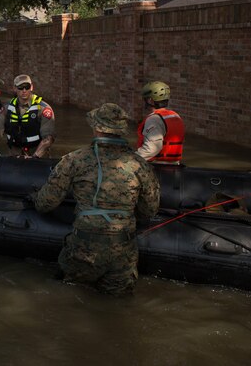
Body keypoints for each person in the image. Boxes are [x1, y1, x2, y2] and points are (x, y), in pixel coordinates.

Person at [34, 103, 160, 295]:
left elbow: (46, 203)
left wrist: (34, 196)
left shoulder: (74, 160)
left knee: (71, 298)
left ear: (97, 128)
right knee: (118, 307)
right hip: (123, 252)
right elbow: (149, 210)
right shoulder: (140, 165)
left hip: (84, 248)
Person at [0, 74, 55, 158]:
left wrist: (35, 157)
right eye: (20, 87)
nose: (24, 90)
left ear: (32, 87)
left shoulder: (43, 109)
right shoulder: (7, 109)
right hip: (14, 154)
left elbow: (48, 139)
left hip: (37, 155)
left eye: (27, 87)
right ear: (14, 88)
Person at [136, 81, 185, 164]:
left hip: (157, 166)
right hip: (174, 164)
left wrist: (132, 158)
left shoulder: (154, 119)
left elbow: (152, 149)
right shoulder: (175, 116)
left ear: (150, 100)